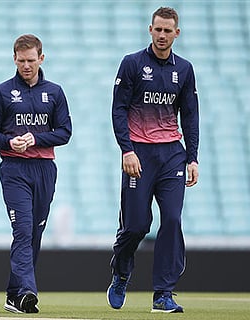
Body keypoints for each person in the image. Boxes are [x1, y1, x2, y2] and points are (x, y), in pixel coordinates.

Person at [107, 7, 199, 313]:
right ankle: (121, 272)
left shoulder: (184, 69)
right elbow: (118, 109)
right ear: (150, 30)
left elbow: (190, 114)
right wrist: (127, 150)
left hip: (172, 153)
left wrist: (193, 157)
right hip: (139, 155)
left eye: (167, 30)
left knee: (172, 219)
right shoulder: (132, 64)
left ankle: (163, 293)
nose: (162, 35)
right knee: (136, 226)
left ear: (177, 33)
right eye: (157, 30)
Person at [0, 34, 72, 314]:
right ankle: (28, 291)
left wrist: (36, 139)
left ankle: (14, 295)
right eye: (21, 61)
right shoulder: (1, 92)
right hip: (14, 169)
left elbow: (65, 132)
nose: (26, 66)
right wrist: (9, 142)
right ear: (14, 59)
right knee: (22, 230)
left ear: (41, 58)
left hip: (44, 169)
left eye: (31, 60)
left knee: (35, 232)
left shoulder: (55, 92)